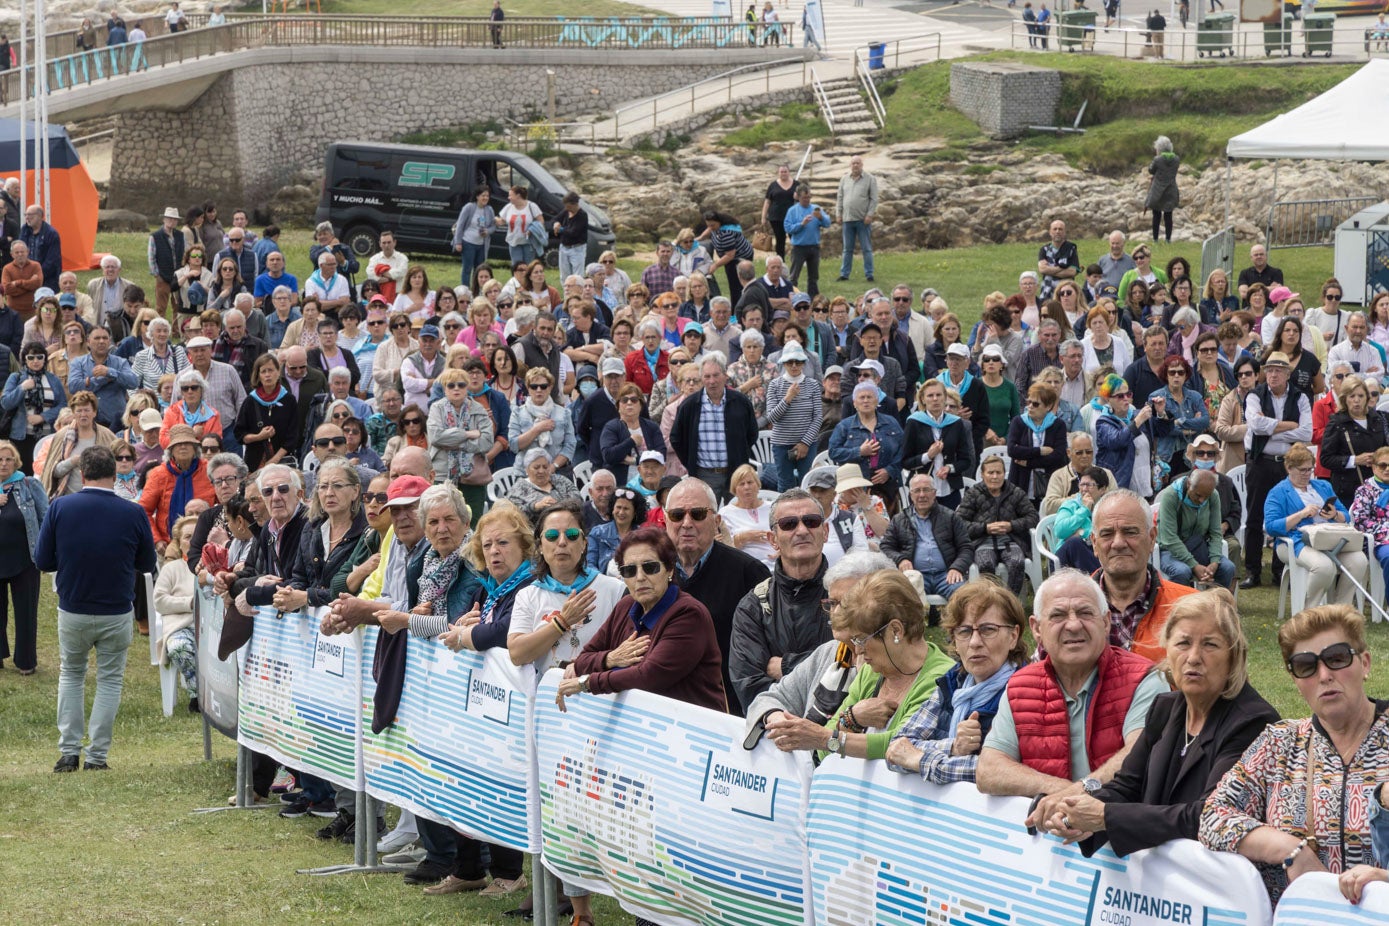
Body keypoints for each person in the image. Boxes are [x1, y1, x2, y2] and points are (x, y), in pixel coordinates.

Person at [1038, 589, 1278, 855]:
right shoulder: (1165, 708)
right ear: (1167, 649)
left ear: (1234, 656)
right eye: (1183, 643)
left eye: (1210, 644)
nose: (1194, 657)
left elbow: (1209, 815)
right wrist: (1075, 811)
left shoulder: (1253, 722)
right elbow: (1128, 784)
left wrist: (1105, 816)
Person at [1201, 605, 1389, 899]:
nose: (1324, 675)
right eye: (1306, 666)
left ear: (1364, 663)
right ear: (1296, 681)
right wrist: (1289, 849)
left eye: (1337, 658)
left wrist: (1384, 880)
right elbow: (1213, 816)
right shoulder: (1280, 742)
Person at [978, 569, 1166, 828]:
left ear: (1106, 622)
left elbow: (1139, 754)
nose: (1074, 624)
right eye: (1057, 615)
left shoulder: (1145, 679)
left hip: (1124, 844)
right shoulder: (1020, 685)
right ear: (1036, 629)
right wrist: (1064, 790)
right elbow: (988, 770)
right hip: (1048, 849)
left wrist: (1081, 793)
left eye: (1085, 613)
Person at [38, 445, 157, 772]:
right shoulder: (133, 512)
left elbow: (42, 560)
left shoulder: (61, 507)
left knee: (72, 675)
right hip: (116, 608)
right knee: (109, 680)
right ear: (115, 472)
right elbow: (147, 562)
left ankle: (68, 752)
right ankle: (97, 757)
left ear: (82, 473)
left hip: (74, 606)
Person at [764, 569, 954, 761]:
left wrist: (823, 737)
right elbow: (822, 754)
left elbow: (900, 745)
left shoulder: (942, 678)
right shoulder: (872, 672)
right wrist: (852, 719)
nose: (858, 650)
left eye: (861, 640)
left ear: (895, 630)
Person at [885, 578, 1029, 784]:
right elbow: (897, 748)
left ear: (1013, 636)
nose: (975, 642)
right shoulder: (954, 683)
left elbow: (1000, 771)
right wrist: (953, 747)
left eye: (988, 630)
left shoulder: (1027, 690)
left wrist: (920, 761)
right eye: (964, 631)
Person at [742, 552, 888, 746]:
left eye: (846, 604)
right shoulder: (830, 652)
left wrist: (845, 722)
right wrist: (778, 719)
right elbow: (769, 699)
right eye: (832, 603)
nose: (835, 613)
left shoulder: (891, 663)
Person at [665, 477, 771, 711]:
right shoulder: (649, 570)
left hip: (729, 706)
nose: (686, 523)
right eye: (677, 515)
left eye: (698, 514)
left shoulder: (748, 572)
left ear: (717, 521)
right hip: (665, 702)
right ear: (665, 520)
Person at [1264, 442, 1368, 607]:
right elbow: (1271, 526)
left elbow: (1346, 516)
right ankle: (1310, 610)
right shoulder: (1278, 492)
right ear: (1289, 468)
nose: (1307, 474)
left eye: (1310, 469)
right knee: (1324, 566)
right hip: (1296, 541)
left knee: (1359, 561)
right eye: (1302, 470)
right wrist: (1301, 514)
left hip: (1329, 539)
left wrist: (1335, 514)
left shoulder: (1323, 486)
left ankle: (1340, 609)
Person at [670, 354, 760, 501]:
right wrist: (691, 461)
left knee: (737, 515)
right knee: (707, 517)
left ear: (725, 375)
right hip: (704, 473)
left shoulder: (740, 401)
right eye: (707, 376)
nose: (712, 381)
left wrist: (738, 454)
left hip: (736, 472)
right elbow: (676, 438)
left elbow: (752, 433)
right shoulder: (690, 405)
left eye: (716, 375)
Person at [881, 473, 972, 601]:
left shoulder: (950, 517)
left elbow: (966, 547)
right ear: (911, 495)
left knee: (965, 597)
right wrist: (900, 559)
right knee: (906, 595)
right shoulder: (899, 519)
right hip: (916, 574)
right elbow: (886, 546)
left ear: (934, 493)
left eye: (926, 490)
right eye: (917, 491)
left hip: (947, 574)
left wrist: (957, 568)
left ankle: (952, 622)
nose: (922, 495)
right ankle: (918, 622)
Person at [0, 440, 46, 675]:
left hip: (25, 560)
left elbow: (45, 517)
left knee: (26, 612)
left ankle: (26, 661)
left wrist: (47, 553)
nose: (4, 463)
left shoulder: (28, 484)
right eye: (0, 459)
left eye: (8, 459)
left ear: (16, 462)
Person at [140, 424, 216, 554]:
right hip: (170, 543)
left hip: (206, 541)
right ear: (171, 449)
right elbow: (143, 510)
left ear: (195, 448)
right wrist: (157, 540)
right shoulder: (159, 474)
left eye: (187, 443)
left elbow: (224, 504)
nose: (183, 446)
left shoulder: (210, 470)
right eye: (178, 443)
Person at [1155, 469, 1235, 592]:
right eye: (1198, 495)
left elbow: (1215, 532)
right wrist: (1194, 565)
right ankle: (1183, 609)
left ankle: (1214, 607)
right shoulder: (1170, 495)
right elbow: (1169, 539)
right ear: (1189, 484)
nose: (1202, 500)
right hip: (1170, 550)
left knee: (1228, 568)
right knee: (1182, 571)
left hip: (1198, 545)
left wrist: (1214, 562)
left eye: (1206, 497)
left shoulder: (1213, 495)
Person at [153, 514, 201, 712]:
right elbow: (160, 601)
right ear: (180, 543)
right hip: (181, 626)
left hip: (212, 627)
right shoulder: (171, 569)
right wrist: (189, 603)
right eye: (187, 537)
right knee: (179, 647)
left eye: (197, 535)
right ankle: (198, 695)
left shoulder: (215, 566)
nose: (192, 540)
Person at [1321, 374, 1389, 508]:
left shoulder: (1379, 419)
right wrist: (1354, 460)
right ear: (1345, 399)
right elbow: (1326, 458)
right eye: (1352, 396)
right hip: (1347, 489)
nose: (1357, 400)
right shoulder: (1337, 423)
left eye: (1361, 396)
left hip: (1378, 486)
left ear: (1367, 398)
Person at [764, 342, 823, 491]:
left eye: (798, 361)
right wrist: (788, 398)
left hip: (808, 444)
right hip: (781, 444)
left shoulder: (813, 385)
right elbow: (772, 417)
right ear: (784, 363)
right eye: (790, 362)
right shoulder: (774, 385)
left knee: (808, 484)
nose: (794, 365)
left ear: (804, 363)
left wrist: (805, 443)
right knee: (785, 485)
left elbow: (817, 417)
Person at [2, 342, 66, 473]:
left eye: (39, 357)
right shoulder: (16, 377)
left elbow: (63, 405)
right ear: (25, 359)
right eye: (31, 357)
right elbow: (5, 402)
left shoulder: (53, 379)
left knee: (44, 472)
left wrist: (43, 417)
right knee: (22, 473)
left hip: (47, 435)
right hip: (21, 436)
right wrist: (22, 388)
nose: (35, 361)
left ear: (45, 359)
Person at [1007, 382, 1067, 504]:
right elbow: (1012, 450)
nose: (1030, 407)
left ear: (1048, 406)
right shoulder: (1018, 422)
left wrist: (1029, 462)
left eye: (1035, 404)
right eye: (1028, 402)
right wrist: (1040, 451)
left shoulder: (1058, 425)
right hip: (1021, 482)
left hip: (1049, 485)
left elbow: (1058, 456)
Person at [718, 463, 777, 570]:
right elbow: (723, 549)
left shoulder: (773, 508)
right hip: (745, 567)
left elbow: (787, 533)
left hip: (776, 564)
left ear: (758, 485)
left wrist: (782, 551)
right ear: (734, 490)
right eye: (741, 484)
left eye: (750, 482)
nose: (747, 487)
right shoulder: (726, 513)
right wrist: (743, 538)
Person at [835, 156, 878, 283]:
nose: (855, 165)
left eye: (857, 163)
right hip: (847, 219)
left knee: (866, 248)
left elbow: (874, 199)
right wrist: (838, 214)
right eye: (853, 163)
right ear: (850, 165)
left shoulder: (870, 179)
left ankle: (869, 274)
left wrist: (869, 215)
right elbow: (840, 197)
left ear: (862, 165)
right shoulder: (844, 179)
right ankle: (844, 274)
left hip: (862, 220)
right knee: (847, 249)